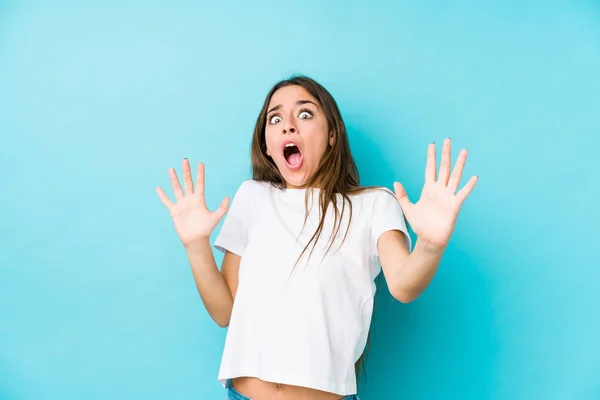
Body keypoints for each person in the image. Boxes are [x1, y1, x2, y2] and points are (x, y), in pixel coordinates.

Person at [156, 75, 478, 400]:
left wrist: (430, 245)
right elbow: (225, 312)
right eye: (276, 118)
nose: (288, 126)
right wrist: (196, 246)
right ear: (267, 145)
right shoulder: (252, 197)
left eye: (305, 114)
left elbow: (404, 286)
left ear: (332, 136)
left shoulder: (373, 204)